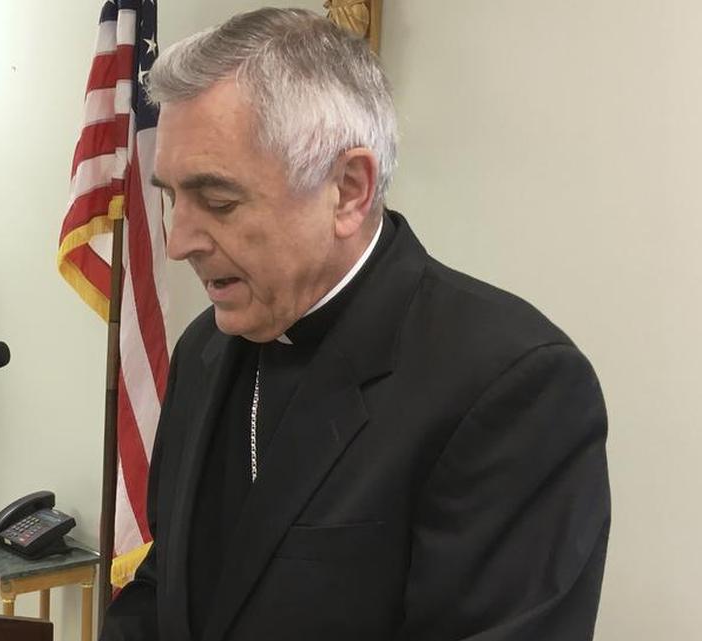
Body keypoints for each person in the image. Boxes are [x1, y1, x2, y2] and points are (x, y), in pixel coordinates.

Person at [100, 8, 610, 641]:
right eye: (172, 197)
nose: (178, 242)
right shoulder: (204, 347)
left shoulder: (510, 385)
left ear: (347, 189)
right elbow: (165, 585)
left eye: (218, 201)